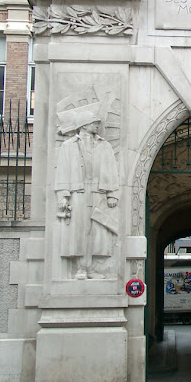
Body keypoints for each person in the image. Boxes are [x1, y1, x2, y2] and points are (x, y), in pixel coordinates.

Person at [55, 107, 120, 280]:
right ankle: (81, 268)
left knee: (96, 231)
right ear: (83, 125)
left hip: (98, 192)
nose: (97, 125)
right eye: (94, 122)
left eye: (97, 122)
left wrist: (112, 193)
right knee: (79, 231)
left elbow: (111, 169)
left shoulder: (104, 145)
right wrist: (62, 195)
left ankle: (90, 268)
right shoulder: (68, 146)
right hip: (78, 192)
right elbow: (62, 170)